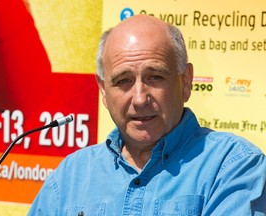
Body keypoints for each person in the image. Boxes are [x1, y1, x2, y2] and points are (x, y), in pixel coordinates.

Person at [28, 15, 266, 215]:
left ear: (185, 81)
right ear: (103, 90)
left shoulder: (232, 165)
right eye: (123, 81)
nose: (140, 98)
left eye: (155, 77)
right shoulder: (70, 177)